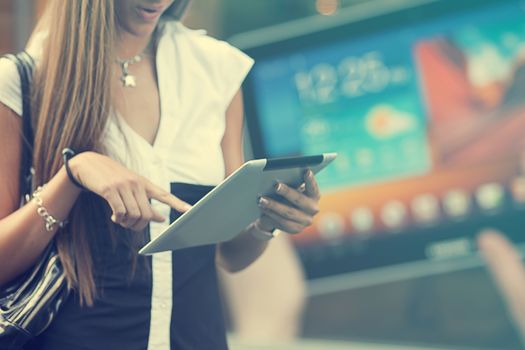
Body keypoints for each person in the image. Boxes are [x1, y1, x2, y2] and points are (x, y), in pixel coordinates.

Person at [0, 1, 321, 349]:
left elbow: (229, 255)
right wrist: (72, 175)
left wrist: (267, 222)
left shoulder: (217, 70)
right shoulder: (25, 80)